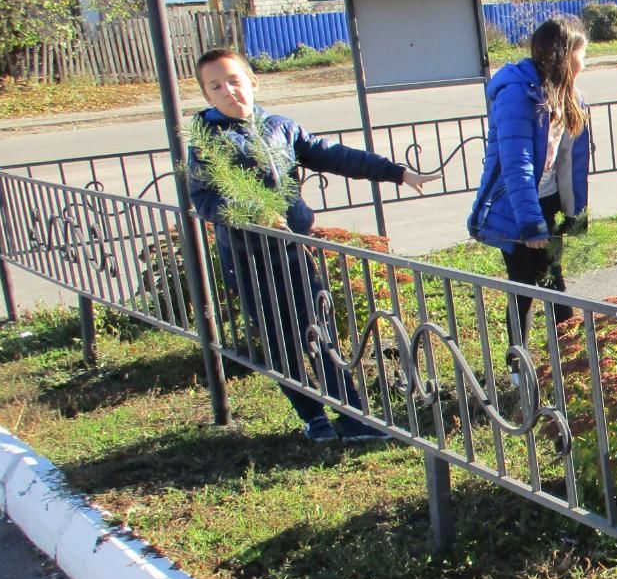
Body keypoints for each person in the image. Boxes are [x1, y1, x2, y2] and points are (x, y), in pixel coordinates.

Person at [187, 47, 438, 442]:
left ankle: (353, 416)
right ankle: (313, 417)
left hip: (293, 251)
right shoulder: (208, 142)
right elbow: (205, 199)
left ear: (252, 82)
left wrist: (398, 172)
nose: (228, 92)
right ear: (207, 96)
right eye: (215, 86)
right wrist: (253, 212)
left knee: (317, 329)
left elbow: (334, 156)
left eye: (233, 81)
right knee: (279, 339)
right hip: (247, 259)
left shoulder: (279, 127)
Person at [467, 14, 592, 342]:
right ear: (565, 55)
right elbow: (516, 163)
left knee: (553, 281)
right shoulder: (516, 94)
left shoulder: (570, 96)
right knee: (522, 290)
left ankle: (569, 364)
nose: (585, 61)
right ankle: (517, 373)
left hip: (547, 202)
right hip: (515, 207)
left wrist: (575, 213)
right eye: (582, 53)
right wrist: (530, 223)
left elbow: (571, 163)